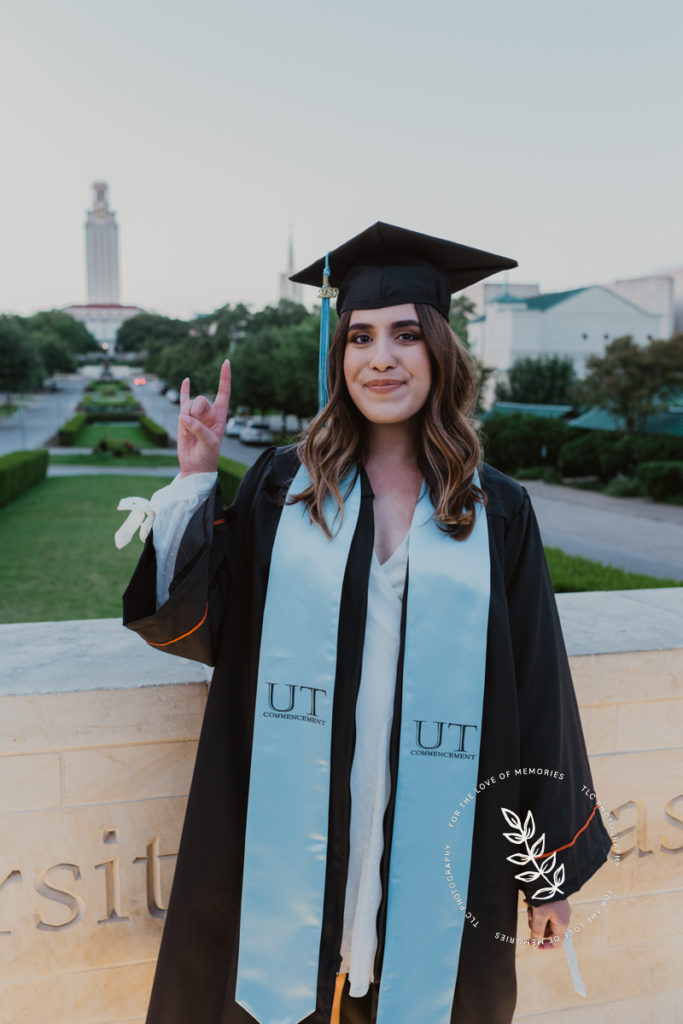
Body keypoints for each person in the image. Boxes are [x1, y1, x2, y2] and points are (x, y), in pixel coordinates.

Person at [118, 223, 612, 1024]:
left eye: (406, 334)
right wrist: (195, 477)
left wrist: (546, 871)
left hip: (435, 828)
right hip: (299, 820)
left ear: (443, 352)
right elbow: (207, 628)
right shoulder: (288, 486)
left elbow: (538, 690)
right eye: (359, 337)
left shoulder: (496, 509)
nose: (379, 358)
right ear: (337, 354)